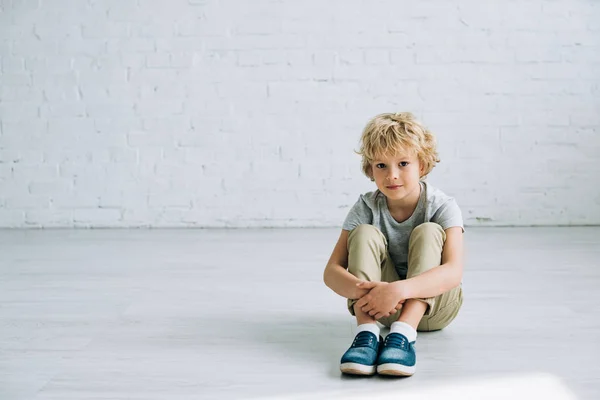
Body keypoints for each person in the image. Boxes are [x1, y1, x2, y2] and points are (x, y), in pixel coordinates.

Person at [323, 112, 465, 377]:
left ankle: (403, 334)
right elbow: (331, 272)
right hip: (379, 309)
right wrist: (373, 292)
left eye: (402, 163)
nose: (392, 175)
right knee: (364, 232)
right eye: (381, 166)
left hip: (436, 309)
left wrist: (398, 290)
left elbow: (454, 272)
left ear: (421, 166)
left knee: (428, 231)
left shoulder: (442, 205)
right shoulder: (366, 206)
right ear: (370, 169)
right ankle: (366, 333)